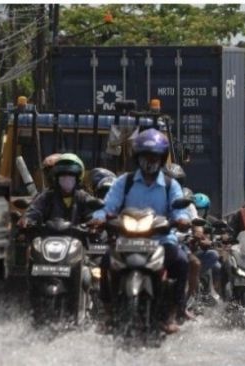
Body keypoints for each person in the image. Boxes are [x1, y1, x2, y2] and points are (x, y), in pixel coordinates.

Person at [90, 129, 190, 334]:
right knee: (106, 262)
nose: (150, 161)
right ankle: (108, 314)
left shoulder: (170, 185)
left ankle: (171, 314)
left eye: (155, 157)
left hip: (161, 240)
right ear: (138, 158)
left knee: (181, 262)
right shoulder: (124, 182)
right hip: (127, 240)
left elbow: (180, 209)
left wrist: (181, 219)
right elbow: (108, 206)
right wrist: (99, 219)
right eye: (146, 156)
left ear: (162, 159)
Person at [19, 153, 94, 227]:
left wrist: (94, 223)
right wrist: (26, 219)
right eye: (63, 175)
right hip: (49, 238)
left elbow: (93, 215)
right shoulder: (47, 196)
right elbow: (34, 211)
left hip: (77, 238)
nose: (67, 179)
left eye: (71, 175)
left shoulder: (83, 197)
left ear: (78, 178)